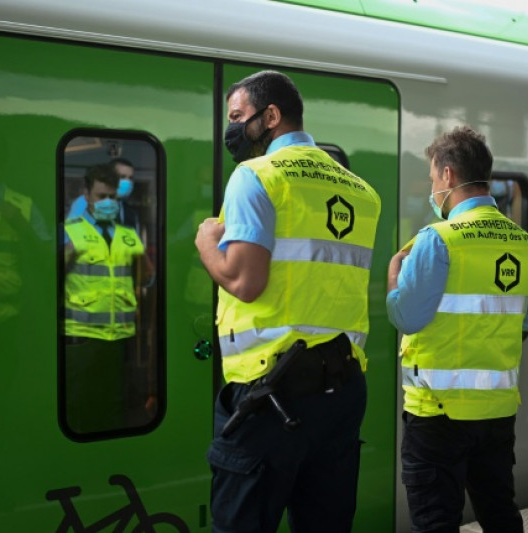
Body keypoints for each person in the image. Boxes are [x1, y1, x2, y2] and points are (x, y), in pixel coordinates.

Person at [195, 70, 381, 533]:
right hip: (341, 393)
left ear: (271, 116)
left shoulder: (255, 177)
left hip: (269, 395)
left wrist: (206, 245)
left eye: (238, 117)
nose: (232, 129)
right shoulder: (361, 191)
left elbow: (245, 281)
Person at [386, 126, 528, 533]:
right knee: (499, 513)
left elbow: (407, 317)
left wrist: (394, 280)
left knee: (436, 520)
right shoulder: (527, 246)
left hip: (437, 413)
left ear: (448, 176)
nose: (431, 187)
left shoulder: (437, 240)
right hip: (496, 413)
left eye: (431, 178)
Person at [63, 163, 145, 434]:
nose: (108, 203)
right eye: (101, 197)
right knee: (79, 405)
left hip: (118, 336)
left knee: (112, 405)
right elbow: (49, 277)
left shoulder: (128, 236)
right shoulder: (70, 231)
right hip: (82, 334)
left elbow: (145, 275)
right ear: (86, 195)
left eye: (112, 197)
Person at [68, 157, 139, 231]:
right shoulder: (82, 203)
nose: (127, 182)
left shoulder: (130, 211)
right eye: (122, 177)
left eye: (130, 178)